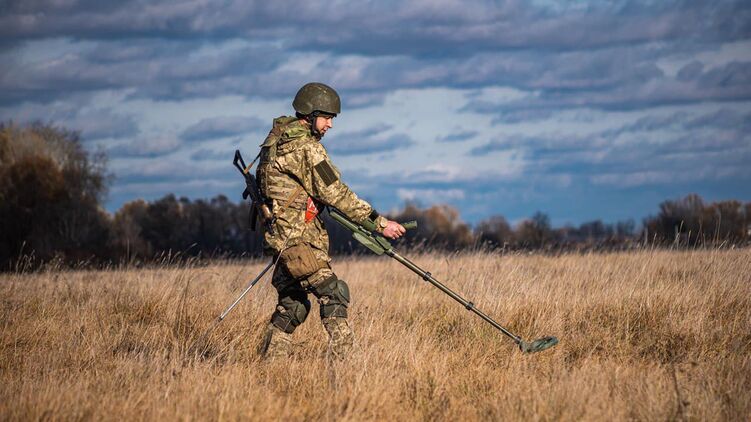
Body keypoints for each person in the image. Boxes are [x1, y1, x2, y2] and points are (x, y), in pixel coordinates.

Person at [256, 82, 405, 360]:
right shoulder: (305, 148)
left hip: (280, 241)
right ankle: (348, 362)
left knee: (293, 305)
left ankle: (269, 364)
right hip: (299, 241)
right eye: (327, 118)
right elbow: (335, 192)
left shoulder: (275, 142)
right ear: (310, 115)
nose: (330, 125)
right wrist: (380, 223)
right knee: (333, 294)